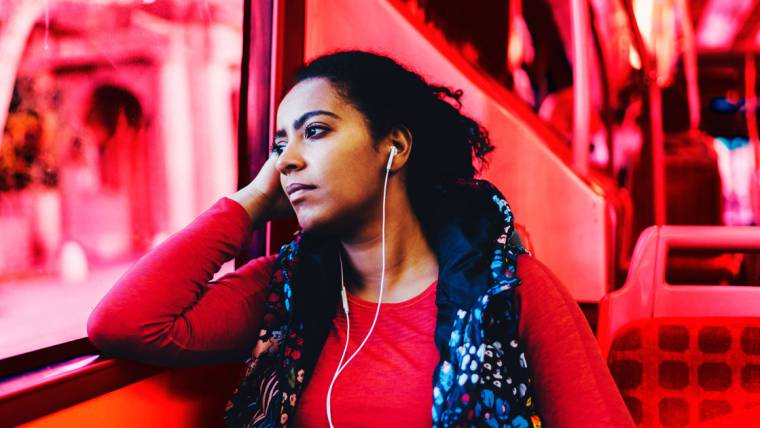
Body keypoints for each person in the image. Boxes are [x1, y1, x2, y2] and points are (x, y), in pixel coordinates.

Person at [87, 51, 634, 427]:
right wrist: (252, 200)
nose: (289, 160)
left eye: (316, 131)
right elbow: (127, 323)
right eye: (280, 145)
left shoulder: (514, 293)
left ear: (393, 147)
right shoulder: (285, 294)